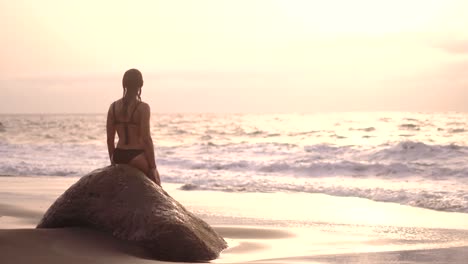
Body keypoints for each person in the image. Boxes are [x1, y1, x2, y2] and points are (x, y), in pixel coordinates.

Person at [106, 69, 161, 185]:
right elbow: (146, 139)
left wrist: (113, 161)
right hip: (136, 156)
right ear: (140, 85)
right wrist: (153, 168)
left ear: (124, 84)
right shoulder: (143, 108)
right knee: (157, 184)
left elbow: (109, 139)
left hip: (118, 155)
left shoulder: (113, 107)